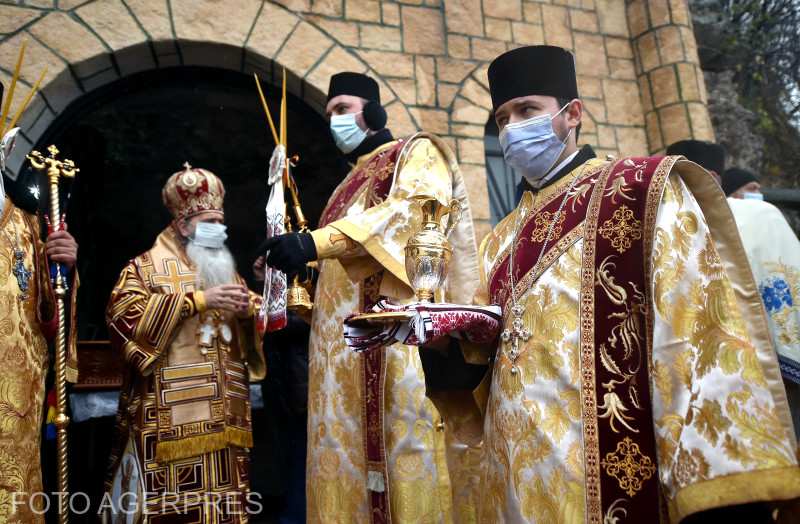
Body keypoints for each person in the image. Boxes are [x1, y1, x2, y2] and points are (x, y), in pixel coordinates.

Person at [354, 46, 800, 522]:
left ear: (572, 114)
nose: (511, 128)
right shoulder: (498, 241)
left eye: (527, 110)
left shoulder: (639, 191)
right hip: (514, 482)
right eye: (502, 118)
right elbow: (485, 364)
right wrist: (439, 340)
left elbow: (695, 333)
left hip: (607, 472)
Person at [259, 72, 482, 522]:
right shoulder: (344, 188)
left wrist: (313, 243)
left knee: (401, 462)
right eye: (330, 113)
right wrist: (304, 293)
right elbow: (340, 278)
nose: (334, 120)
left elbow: (414, 213)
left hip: (392, 348)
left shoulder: (414, 152)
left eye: (343, 108)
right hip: (336, 369)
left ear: (375, 112)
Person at [102, 164, 265, 523]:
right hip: (170, 419)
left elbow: (254, 310)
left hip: (227, 414)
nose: (218, 230)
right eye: (209, 222)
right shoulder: (143, 268)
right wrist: (196, 301)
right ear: (182, 225)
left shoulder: (226, 269)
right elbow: (123, 318)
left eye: (220, 222)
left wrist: (248, 311)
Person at [0, 131, 79, 522]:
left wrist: (65, 268)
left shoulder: (28, 225)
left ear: (8, 147)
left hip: (14, 401)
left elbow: (50, 312)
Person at [722, 167, 800, 436]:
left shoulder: (765, 215)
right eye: (752, 189)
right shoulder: (762, 213)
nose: (759, 194)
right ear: (733, 193)